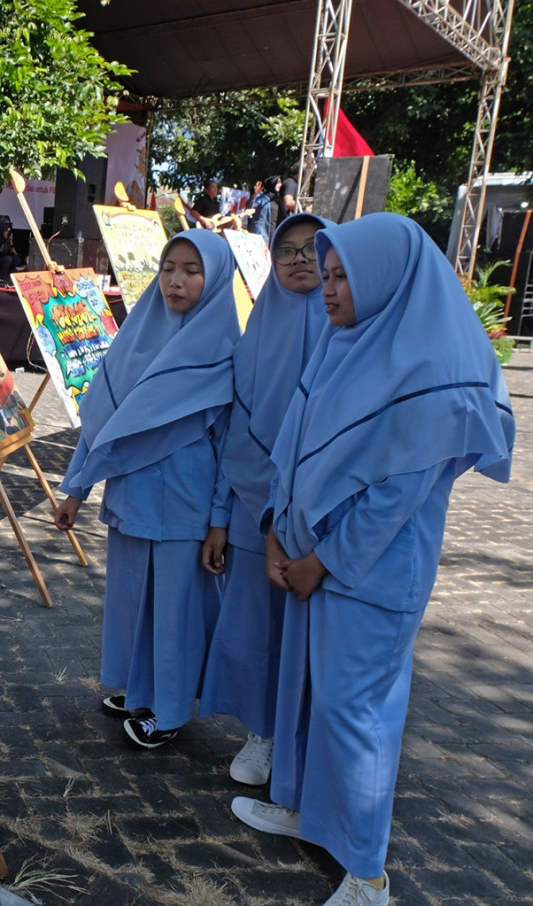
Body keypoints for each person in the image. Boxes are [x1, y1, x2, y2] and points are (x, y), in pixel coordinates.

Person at [231, 213, 515, 905]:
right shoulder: (341, 346)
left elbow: (397, 497)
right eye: (324, 275)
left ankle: (367, 873)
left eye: (342, 276)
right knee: (309, 695)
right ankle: (304, 807)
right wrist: (274, 528)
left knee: (356, 713)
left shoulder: (432, 372)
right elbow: (292, 450)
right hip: (307, 560)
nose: (328, 290)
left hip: (368, 575)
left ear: (387, 279)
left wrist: (320, 562)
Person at [53, 230, 241, 748]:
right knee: (136, 603)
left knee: (176, 611)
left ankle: (171, 711)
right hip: (133, 498)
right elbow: (102, 425)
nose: (176, 281)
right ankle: (143, 689)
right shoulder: (135, 338)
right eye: (168, 268)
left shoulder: (227, 354)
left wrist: (220, 522)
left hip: (187, 506)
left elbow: (231, 451)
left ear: (217, 277)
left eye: (191, 270)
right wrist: (75, 491)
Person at [199, 213, 333, 787]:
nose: (300, 259)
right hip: (258, 513)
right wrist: (220, 519)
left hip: (324, 519)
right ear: (271, 264)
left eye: (313, 249)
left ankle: (305, 743)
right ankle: (262, 732)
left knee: (312, 635)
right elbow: (236, 434)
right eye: (287, 250)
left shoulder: (347, 331)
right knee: (256, 628)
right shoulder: (254, 337)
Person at [248, 177, 279, 242]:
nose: (280, 184)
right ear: (273, 183)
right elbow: (249, 206)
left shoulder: (278, 199)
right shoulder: (262, 197)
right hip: (260, 232)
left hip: (272, 233)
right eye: (278, 182)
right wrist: (255, 194)